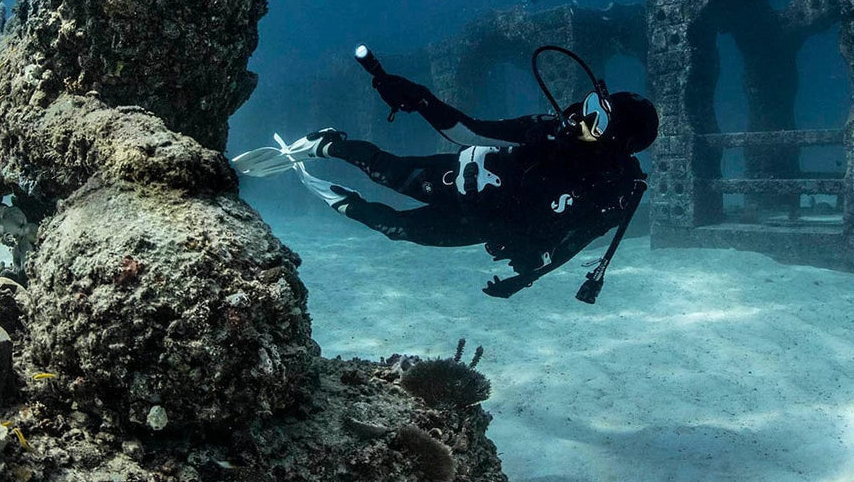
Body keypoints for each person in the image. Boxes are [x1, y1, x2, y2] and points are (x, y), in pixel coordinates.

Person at [233, 45, 658, 301]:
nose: (579, 120)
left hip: (482, 224)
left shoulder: (616, 191)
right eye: (589, 106)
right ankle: (329, 143)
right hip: (467, 176)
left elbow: (576, 241)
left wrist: (527, 277)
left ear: (619, 144)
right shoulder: (550, 131)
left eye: (597, 122)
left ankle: (331, 194)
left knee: (395, 228)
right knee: (386, 173)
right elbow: (468, 131)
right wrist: (418, 98)